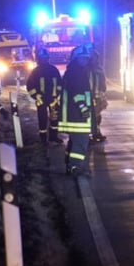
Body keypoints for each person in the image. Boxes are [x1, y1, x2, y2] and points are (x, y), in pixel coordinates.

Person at [59, 44, 95, 174]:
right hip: (77, 115)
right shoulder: (77, 73)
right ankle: (75, 167)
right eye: (82, 58)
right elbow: (77, 93)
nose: (85, 61)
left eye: (86, 58)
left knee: (74, 140)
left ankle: (70, 164)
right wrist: (83, 108)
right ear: (76, 59)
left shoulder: (73, 71)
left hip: (73, 114)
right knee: (81, 141)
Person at [26, 48, 62, 145]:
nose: (44, 60)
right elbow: (30, 86)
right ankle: (43, 139)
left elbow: (59, 83)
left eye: (46, 58)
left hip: (53, 99)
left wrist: (57, 95)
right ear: (39, 59)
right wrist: (37, 96)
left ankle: (53, 137)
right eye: (43, 58)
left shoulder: (54, 70)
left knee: (55, 119)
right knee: (42, 119)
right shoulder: (35, 72)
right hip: (41, 100)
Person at [89, 44, 108, 143]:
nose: (94, 60)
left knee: (97, 116)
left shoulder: (99, 69)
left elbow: (103, 83)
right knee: (89, 117)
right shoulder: (86, 70)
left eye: (96, 58)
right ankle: (91, 134)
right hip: (88, 98)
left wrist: (103, 94)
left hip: (97, 97)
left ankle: (96, 132)